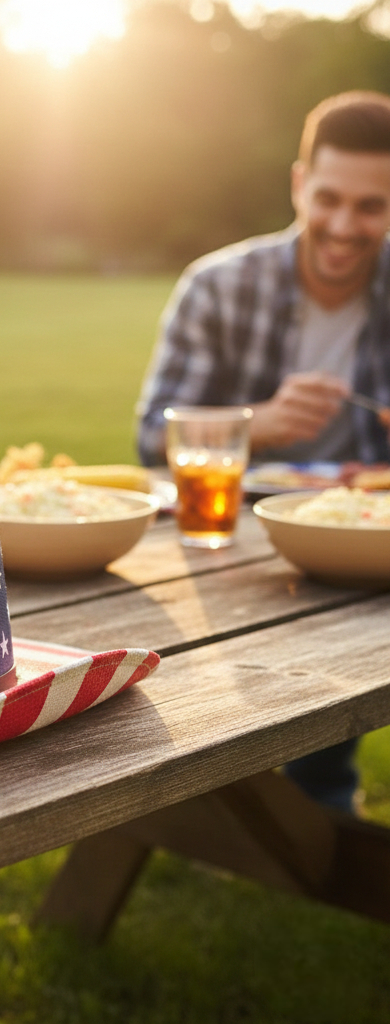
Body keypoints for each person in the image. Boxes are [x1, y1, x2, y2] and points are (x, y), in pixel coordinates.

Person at [136, 91, 390, 813]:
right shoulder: (219, 285)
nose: (344, 226)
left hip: (365, 545)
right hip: (232, 540)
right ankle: (238, 808)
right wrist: (259, 422)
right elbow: (153, 434)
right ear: (298, 184)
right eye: (329, 198)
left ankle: (313, 797)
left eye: (371, 207)